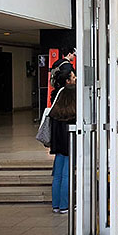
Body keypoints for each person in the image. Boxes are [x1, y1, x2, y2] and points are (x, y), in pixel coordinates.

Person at [49, 69, 76, 214]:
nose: (75, 78)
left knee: (57, 174)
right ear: (68, 80)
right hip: (69, 143)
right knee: (67, 174)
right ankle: (65, 204)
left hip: (57, 143)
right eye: (73, 76)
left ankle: (56, 204)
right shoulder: (73, 98)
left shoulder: (57, 97)